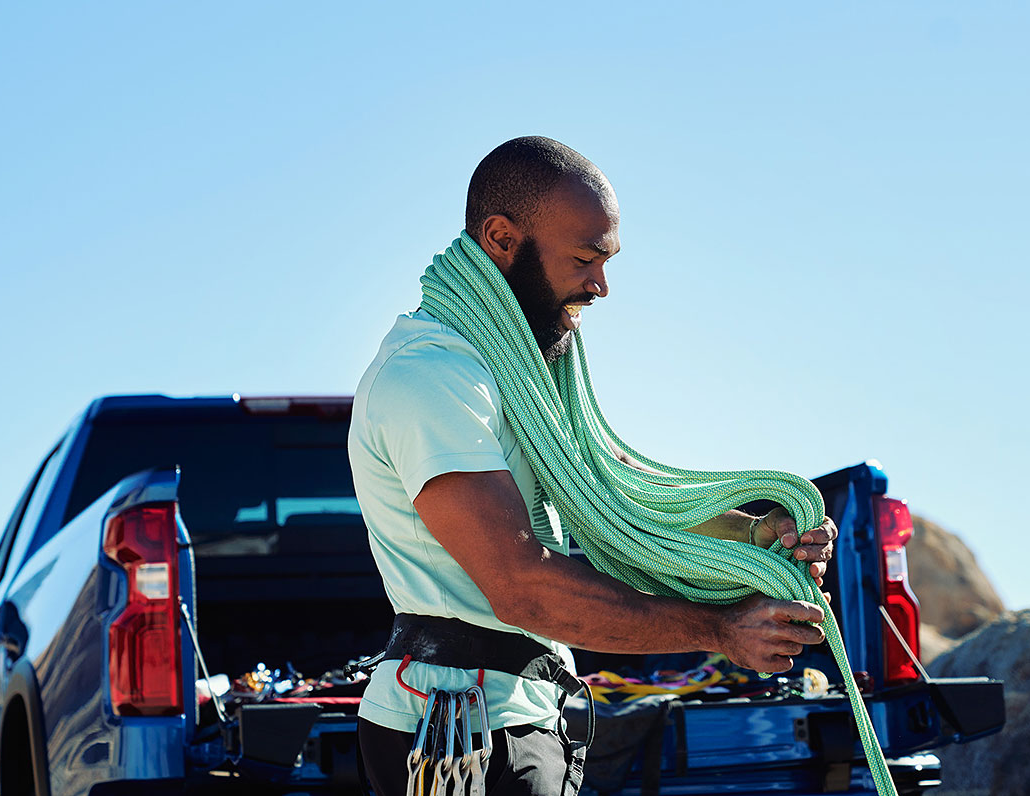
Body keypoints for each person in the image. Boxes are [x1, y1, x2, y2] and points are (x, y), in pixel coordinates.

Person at [347, 136, 837, 796]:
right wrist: (718, 630)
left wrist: (758, 537)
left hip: (518, 718)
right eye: (584, 259)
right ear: (501, 238)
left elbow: (613, 511)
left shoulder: (516, 375)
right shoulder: (433, 378)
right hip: (460, 735)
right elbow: (522, 585)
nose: (600, 285)